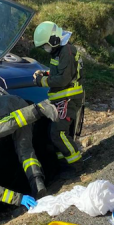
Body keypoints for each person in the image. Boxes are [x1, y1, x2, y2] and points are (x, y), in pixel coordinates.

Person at [0, 83, 58, 198]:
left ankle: (41, 108)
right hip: (20, 109)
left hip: (3, 105)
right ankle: (38, 186)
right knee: (25, 150)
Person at [32, 21, 84, 177]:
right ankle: (62, 166)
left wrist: (41, 81)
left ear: (54, 39)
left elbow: (63, 79)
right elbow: (59, 72)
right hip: (62, 100)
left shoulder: (66, 51)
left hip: (68, 99)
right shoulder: (61, 51)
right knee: (54, 133)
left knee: (59, 133)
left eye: (46, 45)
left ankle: (75, 166)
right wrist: (46, 73)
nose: (45, 49)